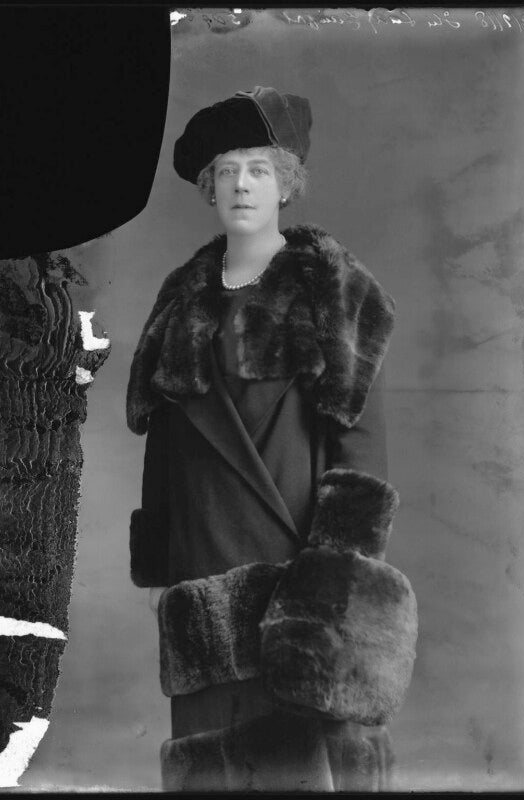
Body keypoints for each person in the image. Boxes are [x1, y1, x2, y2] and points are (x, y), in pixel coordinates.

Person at [126, 86, 417, 792]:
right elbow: (164, 451)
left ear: (285, 183)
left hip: (297, 591)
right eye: (226, 172)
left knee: (304, 769)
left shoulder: (334, 292)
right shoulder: (179, 302)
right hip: (201, 582)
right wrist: (161, 564)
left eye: (258, 169)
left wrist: (334, 586)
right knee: (211, 771)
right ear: (208, 187)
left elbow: (361, 454)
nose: (241, 185)